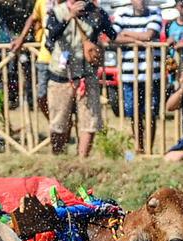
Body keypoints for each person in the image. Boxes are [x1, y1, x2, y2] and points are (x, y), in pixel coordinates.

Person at [45, 0, 114, 156]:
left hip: (87, 74)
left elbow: (112, 33)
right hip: (61, 75)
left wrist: (99, 18)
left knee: (90, 120)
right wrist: (70, 16)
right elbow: (52, 36)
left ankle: (82, 160)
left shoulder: (96, 12)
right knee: (58, 121)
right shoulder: (57, 12)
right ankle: (58, 158)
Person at [112, 0, 163, 153]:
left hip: (150, 73)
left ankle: (149, 148)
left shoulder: (155, 12)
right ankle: (139, 147)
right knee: (133, 113)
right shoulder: (122, 13)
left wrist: (126, 33)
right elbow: (112, 36)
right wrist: (135, 39)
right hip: (129, 74)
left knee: (151, 112)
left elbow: (148, 35)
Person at [11, 0, 53, 118]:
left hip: (64, 59)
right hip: (45, 57)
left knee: (65, 99)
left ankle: (62, 127)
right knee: (41, 96)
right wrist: (21, 38)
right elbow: (32, 18)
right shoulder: (42, 1)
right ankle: (55, 125)